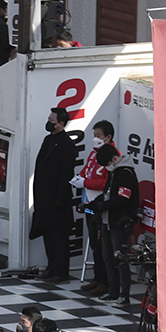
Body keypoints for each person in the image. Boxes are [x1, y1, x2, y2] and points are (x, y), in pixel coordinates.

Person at [31, 107, 78, 283]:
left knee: (59, 237)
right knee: (48, 235)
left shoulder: (67, 145)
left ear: (61, 124)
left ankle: (61, 272)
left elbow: (66, 174)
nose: (49, 122)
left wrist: (60, 198)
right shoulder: (47, 140)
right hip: (44, 198)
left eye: (52, 120)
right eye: (49, 119)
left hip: (58, 199)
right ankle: (51, 267)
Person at [90, 144, 139, 306]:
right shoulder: (114, 173)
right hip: (106, 222)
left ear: (115, 159)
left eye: (108, 164)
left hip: (119, 223)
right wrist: (92, 204)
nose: (107, 168)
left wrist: (101, 206)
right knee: (108, 258)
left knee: (120, 259)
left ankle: (124, 295)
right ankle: (112, 291)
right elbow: (106, 195)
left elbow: (122, 200)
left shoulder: (125, 173)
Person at [74, 119, 114, 295]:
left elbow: (107, 182)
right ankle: (97, 278)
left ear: (108, 137)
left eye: (99, 136)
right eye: (94, 135)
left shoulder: (112, 155)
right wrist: (79, 179)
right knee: (94, 245)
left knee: (102, 244)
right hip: (89, 204)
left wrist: (87, 182)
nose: (95, 139)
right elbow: (85, 171)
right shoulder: (93, 153)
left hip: (101, 205)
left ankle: (105, 281)